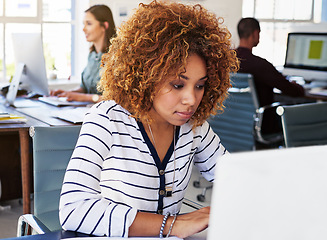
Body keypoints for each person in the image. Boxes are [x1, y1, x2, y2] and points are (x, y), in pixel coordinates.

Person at [59, 1, 238, 238]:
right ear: (146, 75)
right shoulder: (107, 118)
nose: (191, 100)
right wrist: (171, 224)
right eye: (177, 84)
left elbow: (239, 179)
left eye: (200, 86)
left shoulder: (194, 129)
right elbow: (73, 210)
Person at [235, 17, 305, 134]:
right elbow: (291, 90)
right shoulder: (260, 65)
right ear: (255, 33)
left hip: (235, 122)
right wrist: (300, 88)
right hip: (262, 125)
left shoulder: (226, 61)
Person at [50, 4, 116, 103]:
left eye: (89, 24)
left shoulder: (116, 58)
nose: (83, 29)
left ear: (104, 26)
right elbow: (85, 89)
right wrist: (67, 93)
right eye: (83, 24)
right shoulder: (92, 55)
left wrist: (81, 97)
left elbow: (114, 99)